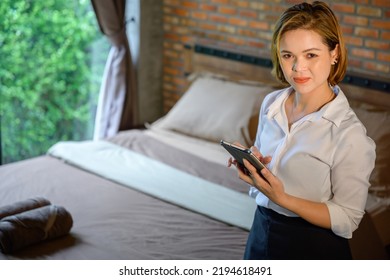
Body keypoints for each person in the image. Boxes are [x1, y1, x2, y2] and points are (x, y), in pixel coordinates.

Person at [228, 1, 376, 260]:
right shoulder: (271, 105)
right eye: (288, 56)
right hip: (261, 232)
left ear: (334, 54)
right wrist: (255, 170)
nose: (298, 68)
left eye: (311, 55)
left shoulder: (348, 134)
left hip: (313, 247)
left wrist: (282, 197)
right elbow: (265, 182)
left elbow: (348, 218)